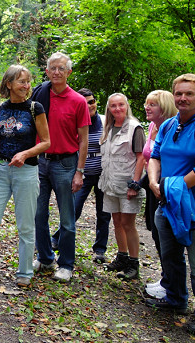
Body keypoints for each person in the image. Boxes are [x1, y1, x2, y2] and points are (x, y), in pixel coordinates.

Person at [146, 73, 195, 336]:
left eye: (189, 93)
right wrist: (155, 183)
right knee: (170, 257)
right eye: (178, 93)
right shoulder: (167, 125)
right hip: (166, 204)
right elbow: (155, 156)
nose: (183, 98)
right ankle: (176, 298)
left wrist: (171, 188)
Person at [0, 65, 50, 287]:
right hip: (0, 172)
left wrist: (25, 154)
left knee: (25, 225)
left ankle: (25, 271)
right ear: (8, 84)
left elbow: (46, 142)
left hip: (25, 171)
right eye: (21, 82)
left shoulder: (35, 108)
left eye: (28, 82)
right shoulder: (0, 108)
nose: (26, 86)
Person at [31, 52, 90, 283]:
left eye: (61, 68)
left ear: (69, 72)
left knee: (67, 218)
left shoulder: (78, 101)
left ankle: (66, 264)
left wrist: (80, 171)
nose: (57, 72)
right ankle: (46, 258)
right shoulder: (39, 97)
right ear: (46, 71)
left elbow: (84, 139)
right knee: (38, 214)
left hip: (66, 163)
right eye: (53, 68)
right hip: (40, 162)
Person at [98, 93, 146, 280]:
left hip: (127, 184)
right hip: (110, 183)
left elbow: (141, 157)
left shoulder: (135, 127)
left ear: (127, 106)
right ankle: (122, 256)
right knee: (116, 222)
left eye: (121, 105)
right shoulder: (108, 127)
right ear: (108, 108)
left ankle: (133, 263)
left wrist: (135, 183)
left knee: (128, 223)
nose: (117, 109)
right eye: (113, 106)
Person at [141, 90, 177, 298]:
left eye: (152, 104)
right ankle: (166, 279)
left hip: (167, 189)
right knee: (155, 233)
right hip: (152, 186)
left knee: (166, 236)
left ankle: (171, 284)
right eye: (147, 104)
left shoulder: (172, 128)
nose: (147, 107)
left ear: (164, 107)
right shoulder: (153, 126)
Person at [69, 88, 111, 264]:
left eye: (91, 102)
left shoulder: (105, 121)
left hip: (103, 174)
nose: (89, 106)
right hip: (83, 173)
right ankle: (58, 238)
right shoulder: (76, 121)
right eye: (84, 103)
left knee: (103, 213)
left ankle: (100, 249)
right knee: (74, 208)